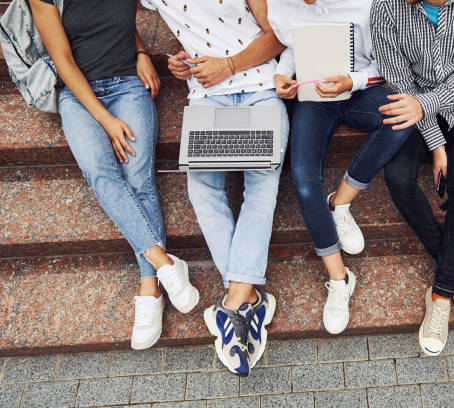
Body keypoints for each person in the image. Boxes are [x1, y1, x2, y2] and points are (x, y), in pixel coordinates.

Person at [29, 0, 200, 351]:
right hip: (78, 97)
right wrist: (106, 121)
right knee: (100, 172)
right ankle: (164, 263)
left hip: (128, 85)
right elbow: (62, 60)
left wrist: (139, 51)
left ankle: (149, 288)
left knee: (138, 177)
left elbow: (116, 21)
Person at [140, 0, 286, 376]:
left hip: (257, 87)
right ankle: (246, 296)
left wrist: (230, 64)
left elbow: (280, 37)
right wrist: (178, 60)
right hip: (207, 94)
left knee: (261, 187)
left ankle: (236, 301)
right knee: (202, 190)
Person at [268, 0, 413, 335]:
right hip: (313, 95)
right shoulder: (281, 5)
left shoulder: (366, 3)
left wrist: (351, 81)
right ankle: (339, 278)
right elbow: (292, 46)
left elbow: (387, 64)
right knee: (304, 180)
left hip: (360, 90)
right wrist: (281, 75)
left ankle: (340, 202)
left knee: (402, 120)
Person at [370, 0, 454, 355]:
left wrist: (429, 108)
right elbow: (399, 81)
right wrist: (436, 144)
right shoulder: (387, 8)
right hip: (411, 105)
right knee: (397, 177)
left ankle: (442, 294)